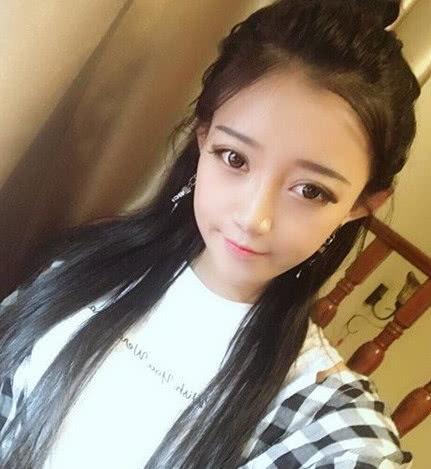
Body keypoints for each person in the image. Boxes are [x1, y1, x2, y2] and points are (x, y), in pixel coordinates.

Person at [0, 0, 421, 467]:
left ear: (360, 206)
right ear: (203, 139)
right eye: (234, 158)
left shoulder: (327, 421)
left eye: (310, 190)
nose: (254, 218)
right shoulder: (84, 263)